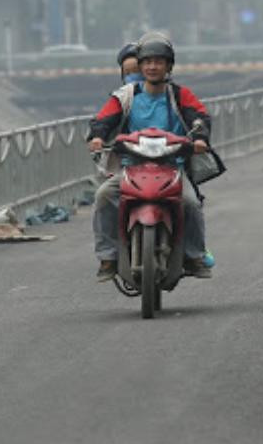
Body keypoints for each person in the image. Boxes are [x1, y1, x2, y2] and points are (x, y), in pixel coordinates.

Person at [86, 32, 221, 281]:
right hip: (131, 168)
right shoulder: (126, 96)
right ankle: (108, 256)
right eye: (147, 62)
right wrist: (96, 136)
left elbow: (199, 117)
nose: (152, 67)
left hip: (172, 168)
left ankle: (194, 255)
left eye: (158, 62)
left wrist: (200, 138)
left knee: (190, 203)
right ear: (140, 65)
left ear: (168, 66)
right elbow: (103, 119)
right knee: (104, 195)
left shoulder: (181, 95)